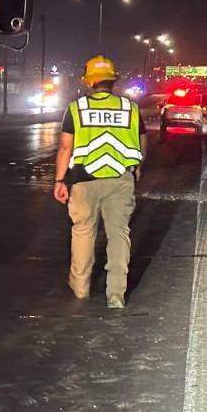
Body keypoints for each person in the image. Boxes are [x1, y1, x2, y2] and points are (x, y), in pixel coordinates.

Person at [53, 55, 146, 309]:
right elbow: (141, 143)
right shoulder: (130, 108)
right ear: (113, 81)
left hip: (84, 182)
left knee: (83, 232)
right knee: (119, 235)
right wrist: (137, 168)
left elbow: (65, 148)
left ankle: (80, 288)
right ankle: (116, 295)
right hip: (120, 179)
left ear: (89, 81)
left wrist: (60, 180)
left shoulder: (76, 108)